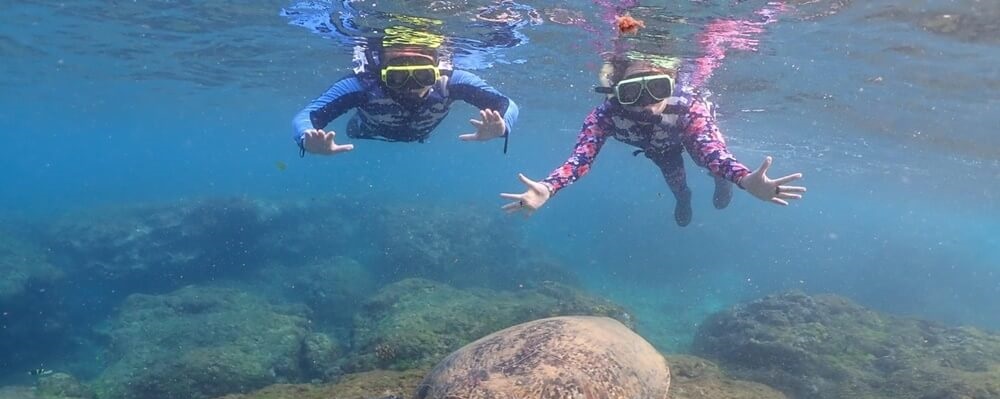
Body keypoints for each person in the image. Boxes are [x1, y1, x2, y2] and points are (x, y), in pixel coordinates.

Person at [500, 55, 804, 225]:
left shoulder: (688, 106)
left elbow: (712, 149)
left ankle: (721, 182)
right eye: (633, 92)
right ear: (616, 91)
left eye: (656, 89)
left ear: (671, 85)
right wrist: (549, 187)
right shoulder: (604, 115)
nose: (646, 104)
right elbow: (581, 159)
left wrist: (742, 179)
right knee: (675, 180)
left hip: (686, 133)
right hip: (659, 149)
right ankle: (683, 198)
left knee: (709, 161)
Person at [293, 27, 519, 157]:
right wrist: (307, 139)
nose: (411, 86)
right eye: (397, 77)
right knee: (355, 129)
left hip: (420, 133)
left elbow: (507, 104)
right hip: (365, 131)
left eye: (423, 75)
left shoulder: (450, 81)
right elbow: (306, 117)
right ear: (381, 72)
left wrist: (502, 127)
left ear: (436, 69)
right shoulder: (362, 86)